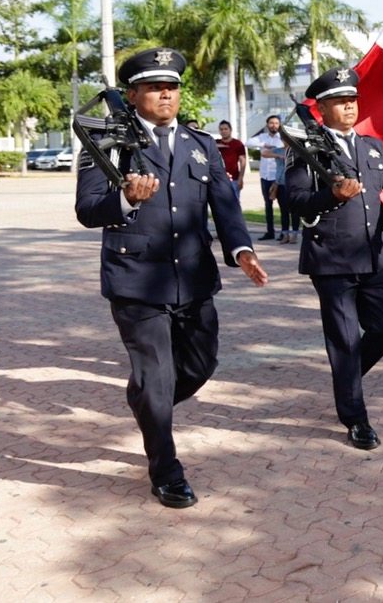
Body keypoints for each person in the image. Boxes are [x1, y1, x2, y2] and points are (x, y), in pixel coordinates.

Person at [75, 47, 268, 509]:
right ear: (132, 94)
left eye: (172, 86)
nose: (166, 94)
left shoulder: (200, 145)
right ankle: (166, 469)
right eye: (155, 87)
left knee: (201, 365)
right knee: (157, 379)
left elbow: (225, 205)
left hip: (194, 278)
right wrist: (124, 199)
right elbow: (87, 210)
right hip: (136, 280)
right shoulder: (106, 141)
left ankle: (147, 403)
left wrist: (241, 249)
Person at [284, 66, 383, 448]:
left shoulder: (370, 147)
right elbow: (293, 200)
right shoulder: (306, 151)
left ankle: (347, 380)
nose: (349, 107)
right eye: (340, 102)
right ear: (321, 109)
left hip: (374, 256)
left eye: (352, 100)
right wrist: (332, 195)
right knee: (343, 340)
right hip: (332, 260)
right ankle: (355, 417)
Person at [250, 115, 287, 241]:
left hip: (279, 178)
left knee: (283, 206)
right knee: (268, 205)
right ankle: (270, 231)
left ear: (279, 125)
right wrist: (264, 144)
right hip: (265, 176)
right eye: (271, 123)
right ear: (267, 124)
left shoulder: (282, 139)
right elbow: (248, 142)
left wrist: (274, 152)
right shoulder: (262, 137)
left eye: (276, 123)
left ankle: (284, 232)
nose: (274, 125)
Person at [215, 120, 246, 200]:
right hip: (219, 179)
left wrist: (240, 178)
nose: (223, 131)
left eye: (226, 129)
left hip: (234, 179)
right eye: (221, 129)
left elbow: (243, 161)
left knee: (235, 203)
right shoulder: (215, 143)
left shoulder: (237, 144)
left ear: (230, 130)